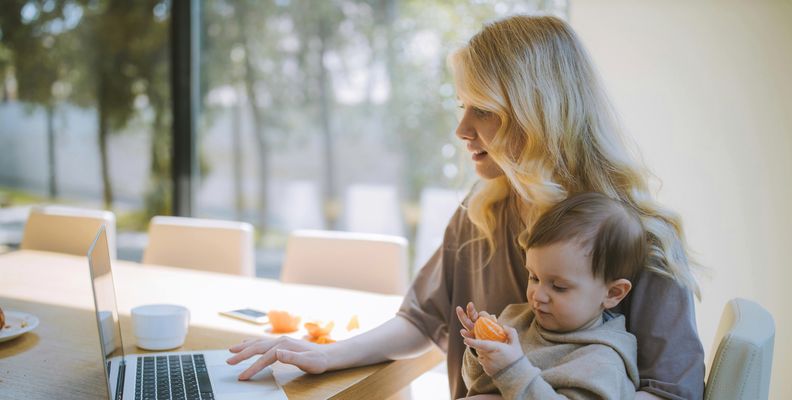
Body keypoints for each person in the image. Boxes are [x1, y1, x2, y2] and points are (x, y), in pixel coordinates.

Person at [226, 15, 704, 400]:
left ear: (539, 116)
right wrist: (328, 355)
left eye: (485, 110)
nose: (462, 130)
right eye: (462, 107)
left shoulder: (642, 237)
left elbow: (672, 391)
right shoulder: (480, 213)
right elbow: (421, 321)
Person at [458, 192, 646, 399]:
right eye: (534, 277)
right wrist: (481, 351)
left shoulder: (602, 361)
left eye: (558, 286)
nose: (538, 295)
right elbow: (475, 384)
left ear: (612, 293)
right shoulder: (517, 320)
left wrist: (511, 369)